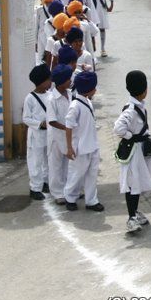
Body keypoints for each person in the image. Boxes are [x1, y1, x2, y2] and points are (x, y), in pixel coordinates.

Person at [114, 70, 151, 233]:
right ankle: (131, 218)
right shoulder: (131, 110)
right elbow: (118, 128)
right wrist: (131, 137)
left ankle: (134, 212)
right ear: (144, 90)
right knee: (132, 184)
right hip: (134, 153)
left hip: (140, 153)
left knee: (137, 182)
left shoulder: (139, 106)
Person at [64, 71, 104, 212]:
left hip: (92, 145)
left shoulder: (88, 102)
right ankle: (70, 197)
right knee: (76, 174)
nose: (95, 90)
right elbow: (68, 126)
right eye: (94, 87)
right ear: (88, 89)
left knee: (92, 174)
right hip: (80, 148)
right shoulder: (75, 105)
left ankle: (91, 200)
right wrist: (69, 147)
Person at [23, 65, 52, 200]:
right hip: (36, 136)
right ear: (41, 82)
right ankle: (34, 188)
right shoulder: (30, 98)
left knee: (47, 160)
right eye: (48, 80)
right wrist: (40, 124)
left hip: (48, 135)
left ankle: (45, 182)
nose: (50, 82)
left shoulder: (50, 95)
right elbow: (26, 118)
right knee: (35, 161)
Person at [47, 64, 73, 205]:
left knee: (68, 165)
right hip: (56, 137)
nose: (70, 81)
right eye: (68, 79)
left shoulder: (70, 94)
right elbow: (52, 121)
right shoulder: (52, 99)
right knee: (56, 165)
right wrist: (66, 128)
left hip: (68, 136)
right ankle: (58, 193)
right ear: (62, 81)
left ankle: (69, 190)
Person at [35, 0, 56, 65]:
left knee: (51, 58)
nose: (48, 4)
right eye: (46, 2)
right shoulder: (39, 10)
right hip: (41, 37)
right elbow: (36, 26)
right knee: (40, 59)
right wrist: (35, 42)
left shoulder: (56, 9)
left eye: (50, 2)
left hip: (51, 37)